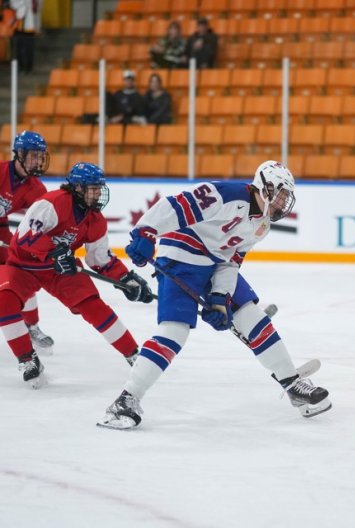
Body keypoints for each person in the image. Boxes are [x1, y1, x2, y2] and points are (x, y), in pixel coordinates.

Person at [98, 160, 331, 429]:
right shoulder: (226, 195)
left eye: (285, 197)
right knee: (174, 332)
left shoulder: (262, 226)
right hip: (180, 258)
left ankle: (291, 383)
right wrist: (146, 231)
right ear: (264, 187)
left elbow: (229, 262)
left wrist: (220, 298)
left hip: (212, 265)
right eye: (279, 194)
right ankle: (126, 400)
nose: (282, 203)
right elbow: (176, 205)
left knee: (253, 317)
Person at [0, 162, 153, 388]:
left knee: (92, 305)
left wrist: (125, 278)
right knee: (4, 301)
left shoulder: (95, 219)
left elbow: (100, 259)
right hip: (24, 265)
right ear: (78, 188)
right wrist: (54, 252)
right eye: (93, 188)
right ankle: (27, 359)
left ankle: (133, 354)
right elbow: (24, 238)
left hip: (60, 269)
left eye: (100, 188)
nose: (98, 193)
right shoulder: (52, 203)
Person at [0, 130, 54, 352]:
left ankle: (31, 325)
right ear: (19, 154)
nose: (38, 160)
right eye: (33, 155)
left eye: (41, 156)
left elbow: (44, 220)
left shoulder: (36, 188)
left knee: (20, 270)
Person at [9, 0, 40, 73]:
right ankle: (20, 67)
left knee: (28, 47)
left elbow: (34, 7)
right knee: (18, 47)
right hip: (18, 24)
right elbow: (13, 5)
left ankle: (28, 67)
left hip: (29, 25)